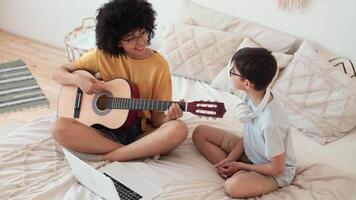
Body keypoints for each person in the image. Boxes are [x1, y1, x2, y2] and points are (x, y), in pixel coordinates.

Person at [52, 0, 188, 161]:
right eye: (130, 38)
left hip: (139, 132)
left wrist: (169, 117)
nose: (141, 42)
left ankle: (107, 155)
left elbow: (158, 119)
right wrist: (77, 79)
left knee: (178, 129)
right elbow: (58, 73)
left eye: (143, 33)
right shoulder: (102, 55)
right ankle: (129, 152)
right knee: (59, 127)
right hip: (101, 131)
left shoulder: (159, 66)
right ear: (116, 40)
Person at [192, 47, 296, 198]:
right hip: (252, 152)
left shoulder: (270, 123)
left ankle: (239, 174)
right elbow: (248, 136)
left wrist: (240, 165)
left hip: (273, 171)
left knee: (232, 187)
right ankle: (235, 171)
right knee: (200, 132)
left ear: (247, 83)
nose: (231, 74)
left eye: (233, 72)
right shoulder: (254, 96)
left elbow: (277, 168)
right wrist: (230, 158)